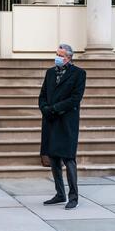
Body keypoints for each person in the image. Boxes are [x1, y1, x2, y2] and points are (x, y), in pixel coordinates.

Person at [39, 44, 86, 210]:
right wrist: (44, 108)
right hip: (50, 120)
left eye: (60, 55)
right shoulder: (50, 72)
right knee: (53, 159)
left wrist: (54, 109)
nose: (57, 57)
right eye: (56, 54)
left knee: (68, 159)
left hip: (66, 122)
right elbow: (43, 95)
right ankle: (60, 193)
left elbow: (75, 98)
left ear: (68, 57)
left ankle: (73, 196)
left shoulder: (79, 74)